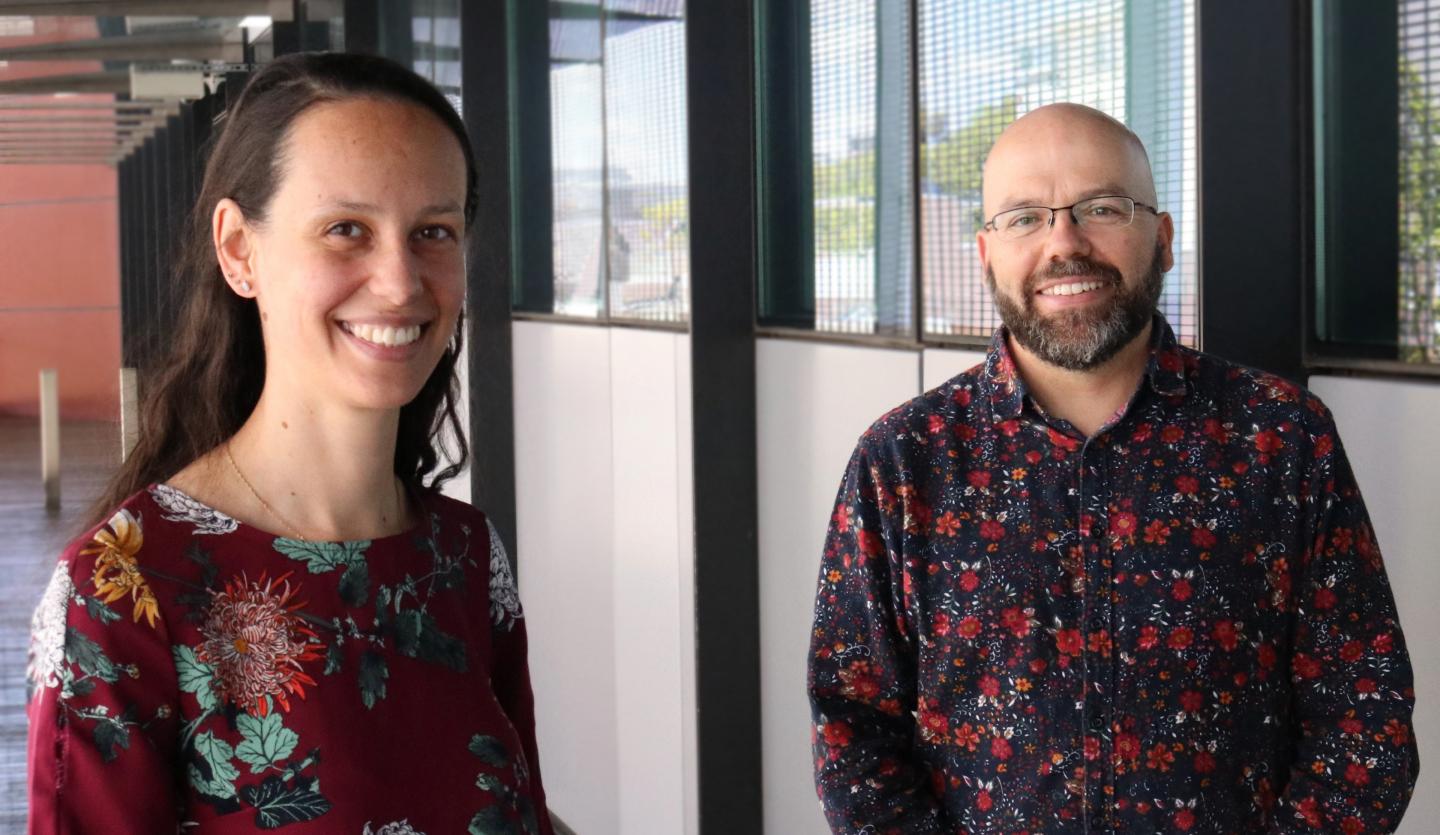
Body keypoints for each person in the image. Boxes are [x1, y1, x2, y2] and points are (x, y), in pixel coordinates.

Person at [808, 103, 1418, 833]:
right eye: (1026, 216)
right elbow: (852, 724)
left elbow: (1364, 713)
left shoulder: (1282, 439)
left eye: (1101, 206)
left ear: (1161, 240)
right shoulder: (903, 461)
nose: (1064, 242)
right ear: (985, 254)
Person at [26, 52, 552, 835]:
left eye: (432, 232)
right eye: (347, 230)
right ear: (240, 249)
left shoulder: (467, 558)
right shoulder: (124, 590)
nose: (401, 281)